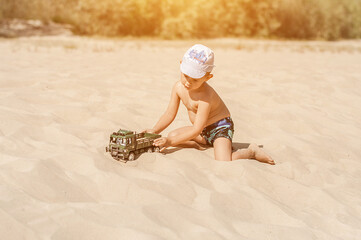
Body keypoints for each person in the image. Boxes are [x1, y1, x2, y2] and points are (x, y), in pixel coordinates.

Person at [144, 44, 274, 164]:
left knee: (223, 159)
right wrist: (155, 130)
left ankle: (251, 152)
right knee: (172, 135)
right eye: (185, 75)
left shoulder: (206, 97)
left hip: (219, 129)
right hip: (202, 132)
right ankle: (201, 145)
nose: (188, 82)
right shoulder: (178, 87)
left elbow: (196, 129)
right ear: (181, 64)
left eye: (195, 79)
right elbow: (169, 113)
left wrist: (170, 142)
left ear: (207, 77)